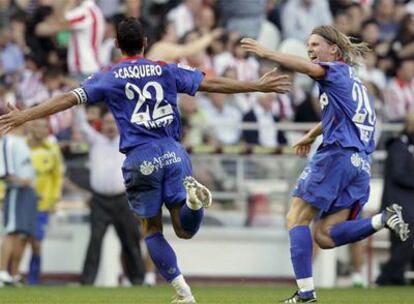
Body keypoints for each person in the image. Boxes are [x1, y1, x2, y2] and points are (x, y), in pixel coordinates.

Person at [0, 17, 290, 303]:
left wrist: (26, 115)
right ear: (145, 43)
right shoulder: (165, 69)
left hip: (140, 157)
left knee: (151, 229)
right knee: (184, 229)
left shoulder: (109, 75)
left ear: (116, 44)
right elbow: (210, 83)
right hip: (174, 151)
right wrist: (255, 85)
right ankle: (192, 202)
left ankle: (184, 293)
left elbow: (67, 99)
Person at [241, 25, 410, 303]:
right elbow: (343, 115)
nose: (311, 50)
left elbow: (309, 69)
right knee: (325, 236)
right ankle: (383, 219)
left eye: (316, 44)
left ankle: (306, 293)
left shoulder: (334, 70)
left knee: (296, 217)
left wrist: (267, 52)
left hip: (337, 157)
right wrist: (312, 133)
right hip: (360, 165)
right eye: (309, 45)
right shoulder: (357, 84)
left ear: (334, 49)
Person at [75, 108, 145, 286]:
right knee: (95, 241)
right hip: (99, 200)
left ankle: (138, 279)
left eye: (114, 123)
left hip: (123, 199)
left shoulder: (127, 141)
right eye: (107, 122)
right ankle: (87, 281)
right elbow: (81, 124)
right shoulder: (95, 140)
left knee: (131, 240)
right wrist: (79, 105)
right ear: (101, 125)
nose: (110, 126)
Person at [376, 113, 414, 286]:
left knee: (401, 246)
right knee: (403, 245)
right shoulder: (398, 146)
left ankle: (395, 278)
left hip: (405, 207)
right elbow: (399, 175)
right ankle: (385, 278)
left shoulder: (404, 147)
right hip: (398, 208)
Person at [26, 118, 64, 285]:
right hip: (21, 201)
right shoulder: (20, 147)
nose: (42, 130)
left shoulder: (52, 150)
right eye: (38, 126)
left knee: (36, 242)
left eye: (45, 126)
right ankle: (10, 275)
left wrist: (54, 200)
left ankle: (33, 280)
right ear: (30, 126)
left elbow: (58, 176)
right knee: (17, 240)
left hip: (42, 205)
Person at [0, 126, 37, 286]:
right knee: (11, 231)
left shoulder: (22, 141)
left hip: (28, 190)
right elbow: (6, 170)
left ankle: (14, 274)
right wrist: (18, 181)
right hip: (16, 190)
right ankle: (1, 272)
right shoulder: (8, 140)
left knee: (23, 233)